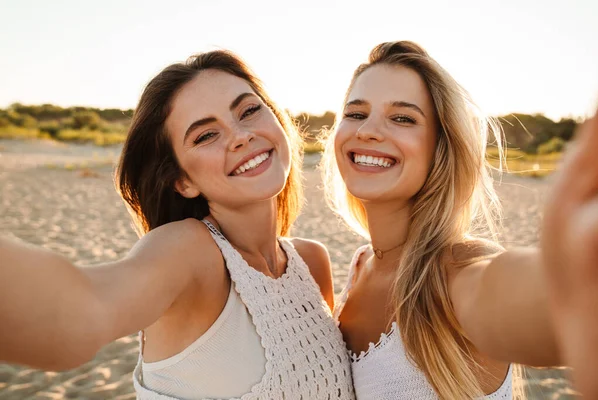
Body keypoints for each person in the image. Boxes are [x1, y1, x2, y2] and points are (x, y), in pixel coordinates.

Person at [0, 50, 355, 399]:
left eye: (248, 111)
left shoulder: (311, 262)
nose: (240, 135)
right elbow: (82, 312)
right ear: (183, 182)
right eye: (205, 135)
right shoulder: (189, 252)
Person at [321, 40, 565, 399]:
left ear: (441, 148)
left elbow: (540, 305)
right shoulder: (359, 266)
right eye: (356, 113)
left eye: (402, 118)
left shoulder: (457, 270)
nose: (367, 130)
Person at [540, 105, 598, 399]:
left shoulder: (458, 269)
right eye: (371, 113)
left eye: (403, 118)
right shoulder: (372, 258)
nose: (373, 131)